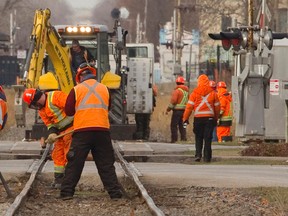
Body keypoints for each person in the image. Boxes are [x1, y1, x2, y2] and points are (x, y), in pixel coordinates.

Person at [60, 63, 122, 200]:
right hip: (102, 131)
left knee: (75, 163)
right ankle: (115, 193)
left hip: (82, 132)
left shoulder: (76, 90)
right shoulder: (105, 89)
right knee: (106, 163)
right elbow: (109, 107)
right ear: (92, 74)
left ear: (80, 76)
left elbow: (69, 111)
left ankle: (66, 193)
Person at [22, 88, 73, 188]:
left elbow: (72, 107)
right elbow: (50, 125)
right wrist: (52, 133)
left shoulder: (56, 96)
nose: (36, 107)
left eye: (34, 104)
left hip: (72, 128)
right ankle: (59, 180)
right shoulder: (42, 110)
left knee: (68, 154)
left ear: (37, 97)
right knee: (57, 154)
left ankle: (69, 181)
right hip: (60, 132)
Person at [182, 74, 220, 162]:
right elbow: (217, 107)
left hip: (198, 119)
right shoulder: (213, 93)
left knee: (198, 137)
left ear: (198, 82)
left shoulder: (194, 93)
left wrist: (185, 118)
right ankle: (207, 158)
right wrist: (216, 118)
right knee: (208, 138)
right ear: (207, 82)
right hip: (209, 119)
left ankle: (198, 155)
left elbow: (189, 108)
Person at [165, 76, 189, 143]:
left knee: (174, 125)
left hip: (177, 111)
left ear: (176, 83)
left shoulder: (177, 91)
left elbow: (173, 101)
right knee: (182, 125)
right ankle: (183, 139)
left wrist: (168, 109)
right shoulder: (186, 92)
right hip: (184, 111)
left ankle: (174, 140)